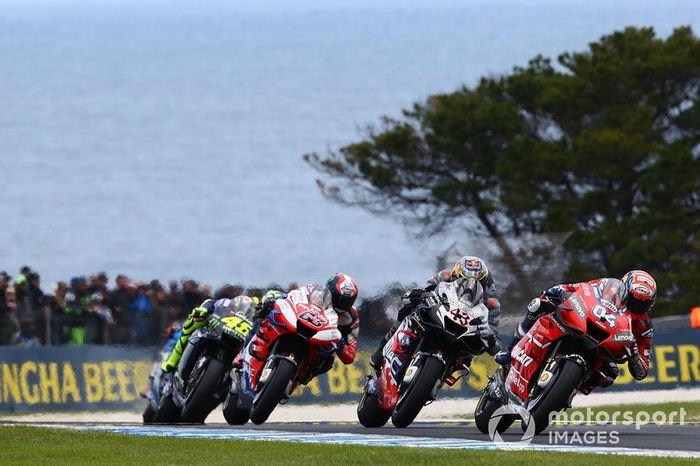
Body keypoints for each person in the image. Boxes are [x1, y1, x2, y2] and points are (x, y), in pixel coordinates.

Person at [494, 270, 657, 391]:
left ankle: (567, 392)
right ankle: (511, 349)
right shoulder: (607, 287)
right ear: (624, 290)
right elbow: (582, 288)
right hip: (582, 321)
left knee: (610, 373)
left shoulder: (643, 326)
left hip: (604, 346)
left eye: (642, 304)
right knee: (539, 304)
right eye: (634, 300)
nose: (636, 307)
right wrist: (560, 292)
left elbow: (642, 372)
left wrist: (634, 354)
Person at [370, 256, 502, 369]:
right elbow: (423, 288)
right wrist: (419, 294)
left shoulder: (492, 303)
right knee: (406, 310)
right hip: (440, 312)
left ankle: (438, 377)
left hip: (465, 332)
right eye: (464, 279)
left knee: (470, 356)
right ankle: (381, 350)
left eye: (478, 282)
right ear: (457, 274)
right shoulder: (445, 276)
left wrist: (489, 339)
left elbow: (492, 332)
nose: (470, 285)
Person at [248, 273, 360, 376]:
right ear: (329, 291)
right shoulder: (313, 291)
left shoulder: (352, 318)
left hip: (320, 343)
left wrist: (340, 344)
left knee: (328, 360)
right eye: (338, 298)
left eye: (347, 301)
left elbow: (350, 357)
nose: (342, 304)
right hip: (298, 326)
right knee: (268, 313)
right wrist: (278, 299)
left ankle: (299, 377)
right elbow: (293, 296)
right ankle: (247, 351)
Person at [161, 295, 258, 373]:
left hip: (236, 340)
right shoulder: (225, 304)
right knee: (190, 325)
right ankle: (172, 360)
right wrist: (204, 311)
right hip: (214, 331)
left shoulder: (254, 318)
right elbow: (210, 303)